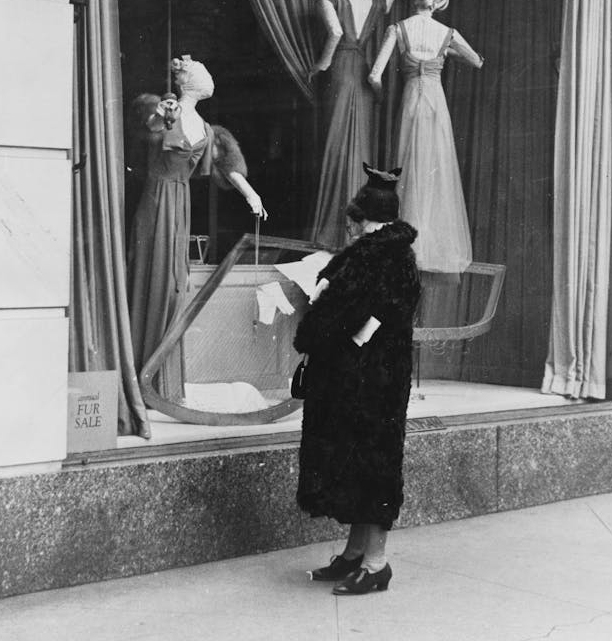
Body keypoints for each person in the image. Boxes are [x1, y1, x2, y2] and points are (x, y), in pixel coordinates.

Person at [294, 164, 421, 595]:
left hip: (373, 382)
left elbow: (362, 316)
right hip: (361, 379)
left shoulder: (383, 258)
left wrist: (324, 324)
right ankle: (354, 554)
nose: (349, 228)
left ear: (363, 219)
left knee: (374, 466)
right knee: (360, 465)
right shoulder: (379, 255)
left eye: (354, 221)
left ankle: (376, 563)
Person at [128, 55, 267, 395]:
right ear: (188, 81)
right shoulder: (165, 110)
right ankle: (139, 371)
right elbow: (150, 126)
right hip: (157, 201)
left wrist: (251, 194)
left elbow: (226, 164)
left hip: (180, 204)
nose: (209, 77)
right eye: (202, 71)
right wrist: (163, 113)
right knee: (153, 278)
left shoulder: (206, 129)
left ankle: (161, 378)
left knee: (174, 284)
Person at [368, 0, 483, 274]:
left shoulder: (398, 29)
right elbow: (476, 61)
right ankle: (426, 245)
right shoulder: (447, 34)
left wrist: (378, 97)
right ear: (438, 4)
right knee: (433, 168)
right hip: (435, 104)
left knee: (408, 167)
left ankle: (407, 246)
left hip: (411, 102)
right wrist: (445, 53)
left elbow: (374, 76)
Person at [309, 0, 401, 248]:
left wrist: (320, 65)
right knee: (359, 145)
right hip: (361, 70)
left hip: (340, 70)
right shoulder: (376, 2)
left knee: (335, 142)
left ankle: (332, 229)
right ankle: (356, 228)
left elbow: (336, 33)